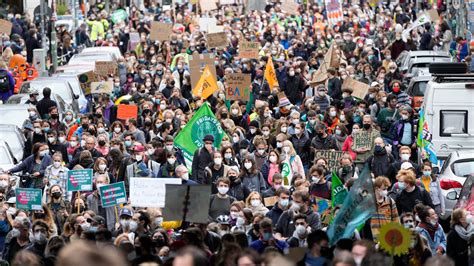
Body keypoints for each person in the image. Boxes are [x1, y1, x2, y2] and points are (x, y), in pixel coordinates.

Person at [365, 176, 399, 241]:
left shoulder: (390, 202)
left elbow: (396, 220)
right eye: (384, 189)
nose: (386, 191)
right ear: (377, 188)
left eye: (387, 189)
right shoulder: (368, 203)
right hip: (372, 239)